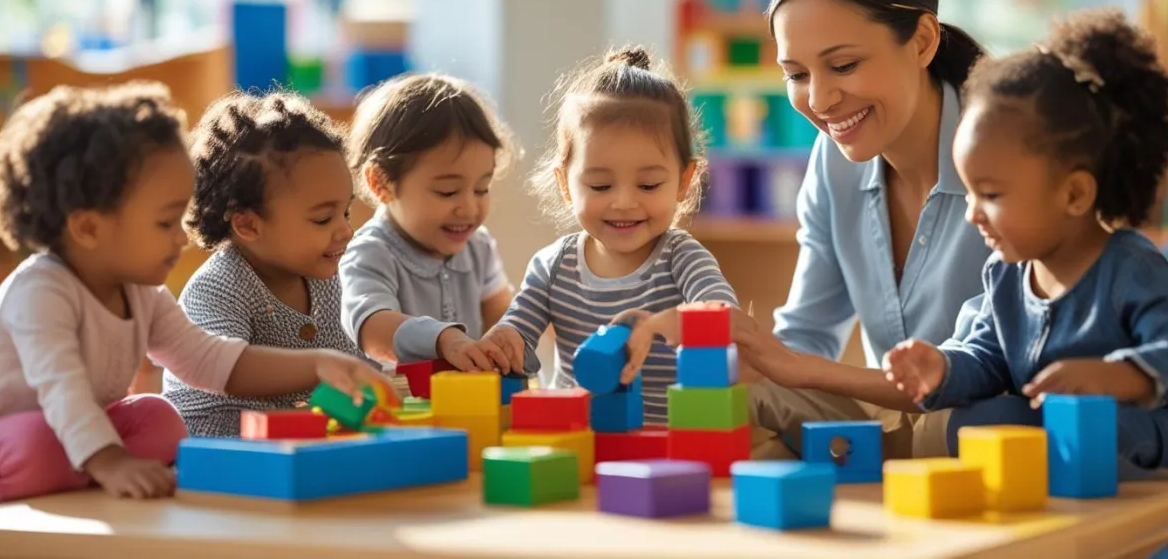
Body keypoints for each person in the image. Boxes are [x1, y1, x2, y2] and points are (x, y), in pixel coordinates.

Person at [624, 0, 990, 459]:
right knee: (734, 405)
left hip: (988, 420)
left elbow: (1001, 361)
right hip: (894, 424)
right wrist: (740, 357)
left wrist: (790, 366)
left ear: (923, 40)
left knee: (953, 425)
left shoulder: (1001, 153)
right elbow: (807, 337)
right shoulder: (834, 163)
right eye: (796, 74)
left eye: (843, 65)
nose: (819, 100)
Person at [0, 83, 387, 503]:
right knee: (37, 444)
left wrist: (320, 364)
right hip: (15, 429)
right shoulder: (41, 292)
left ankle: (85, 470)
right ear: (89, 228)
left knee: (160, 418)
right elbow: (62, 389)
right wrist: (110, 461)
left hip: (82, 429)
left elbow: (209, 361)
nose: (181, 239)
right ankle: (82, 469)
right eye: (164, 224)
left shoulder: (142, 292)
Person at [883, 9, 1168, 473]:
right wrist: (942, 367)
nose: (972, 213)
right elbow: (985, 357)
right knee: (978, 419)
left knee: (1102, 428)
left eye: (991, 194)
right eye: (969, 192)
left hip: (1153, 437)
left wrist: (1123, 376)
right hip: (1060, 434)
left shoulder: (1130, 269)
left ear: (1074, 193)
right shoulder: (1005, 275)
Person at [482, 47, 737, 424]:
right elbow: (516, 333)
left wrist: (664, 323)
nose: (624, 202)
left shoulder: (681, 258)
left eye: (648, 185)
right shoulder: (553, 266)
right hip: (577, 441)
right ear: (565, 184)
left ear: (685, 180)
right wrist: (500, 343)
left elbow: (725, 316)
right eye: (600, 186)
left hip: (667, 445)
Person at [163, 92, 385, 437]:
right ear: (248, 225)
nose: (345, 230)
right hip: (224, 442)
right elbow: (228, 370)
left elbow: (361, 361)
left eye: (344, 211)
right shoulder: (218, 287)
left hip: (301, 440)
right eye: (323, 219)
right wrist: (319, 366)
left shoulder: (334, 276)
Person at [340, 74, 517, 373]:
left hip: (467, 405)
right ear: (381, 182)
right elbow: (371, 327)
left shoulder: (478, 246)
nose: (470, 208)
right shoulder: (370, 252)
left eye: (481, 189)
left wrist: (511, 334)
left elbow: (500, 312)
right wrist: (443, 339)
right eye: (447, 192)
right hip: (396, 408)